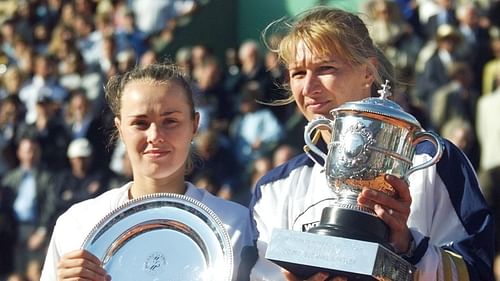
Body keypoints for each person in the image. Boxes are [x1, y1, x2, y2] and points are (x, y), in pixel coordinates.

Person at [249, 7, 494, 281]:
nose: (308, 87)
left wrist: (408, 247)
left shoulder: (432, 162)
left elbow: (477, 271)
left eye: (325, 68)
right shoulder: (274, 189)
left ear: (368, 72)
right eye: (297, 73)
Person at [40, 63, 257, 281]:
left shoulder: (237, 226)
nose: (155, 135)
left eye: (170, 121)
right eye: (140, 123)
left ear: (194, 125)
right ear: (120, 129)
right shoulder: (76, 224)